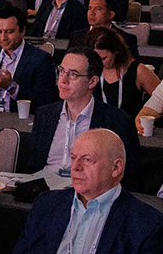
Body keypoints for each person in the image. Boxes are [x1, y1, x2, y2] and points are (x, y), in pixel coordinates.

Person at [1, 129, 163, 254]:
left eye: (87, 159)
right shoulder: (47, 206)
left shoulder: (146, 226)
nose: (75, 167)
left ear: (116, 168)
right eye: (73, 157)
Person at [19, 46, 139, 179]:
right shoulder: (45, 114)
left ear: (92, 81)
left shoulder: (118, 122)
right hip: (45, 191)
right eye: (62, 71)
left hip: (88, 193)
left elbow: (128, 176)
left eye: (73, 74)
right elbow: (33, 165)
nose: (63, 80)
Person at [0, 10, 55, 111]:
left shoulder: (41, 59)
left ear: (23, 30)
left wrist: (11, 87)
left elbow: (44, 101)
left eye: (9, 32)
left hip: (20, 119)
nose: (3, 38)